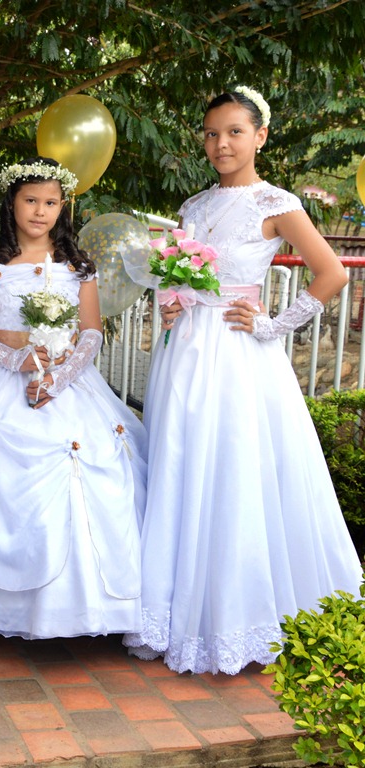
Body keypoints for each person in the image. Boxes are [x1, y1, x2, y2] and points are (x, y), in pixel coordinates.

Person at [123, 86, 362, 674]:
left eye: (233, 131)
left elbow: (330, 273)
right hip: (185, 353)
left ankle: (237, 616)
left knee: (233, 466)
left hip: (238, 353)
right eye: (211, 133)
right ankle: (174, 612)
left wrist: (274, 324)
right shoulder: (192, 206)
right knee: (182, 462)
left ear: (259, 136)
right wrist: (172, 304)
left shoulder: (275, 203)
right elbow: (178, 278)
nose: (221, 143)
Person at [0, 158, 147, 638]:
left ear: (63, 207)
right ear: (12, 203)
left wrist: (61, 376)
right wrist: (16, 361)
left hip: (66, 383)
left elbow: (90, 332)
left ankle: (81, 609)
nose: (40, 211)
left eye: (50, 203)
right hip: (2, 380)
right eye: (30, 200)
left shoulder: (78, 265)